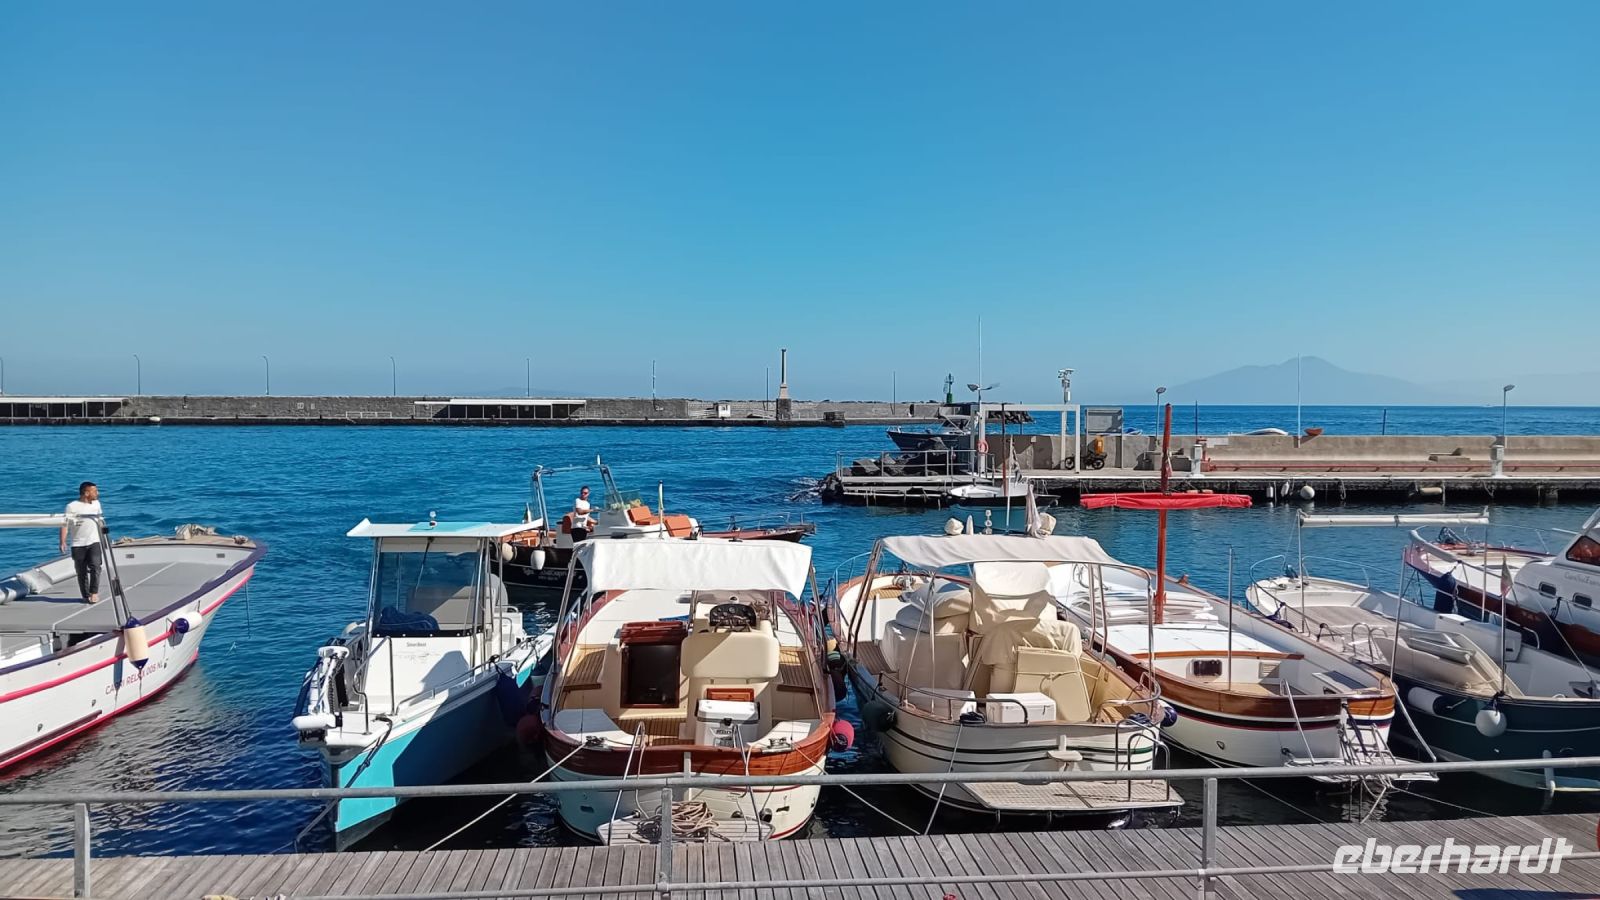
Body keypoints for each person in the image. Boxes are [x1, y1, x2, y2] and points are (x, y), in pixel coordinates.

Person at [59, 481, 103, 603]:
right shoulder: (72, 507)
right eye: (95, 491)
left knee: (96, 567)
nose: (97, 493)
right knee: (81, 571)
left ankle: (94, 593)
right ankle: (85, 594)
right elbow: (65, 525)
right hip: (78, 543)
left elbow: (100, 520)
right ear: (86, 493)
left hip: (94, 541)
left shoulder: (97, 504)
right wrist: (62, 541)